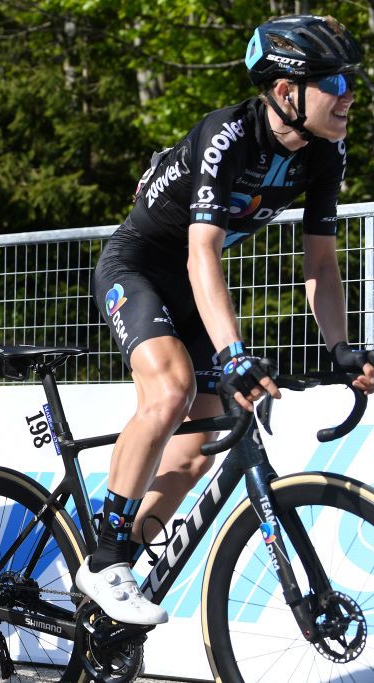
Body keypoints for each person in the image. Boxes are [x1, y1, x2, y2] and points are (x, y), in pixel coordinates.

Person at [81, 14, 374, 627]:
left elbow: (320, 259)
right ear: (288, 91)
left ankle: (123, 574)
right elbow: (202, 250)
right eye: (335, 83)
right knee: (171, 390)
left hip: (187, 288)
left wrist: (343, 348)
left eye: (352, 80)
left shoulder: (325, 152)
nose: (350, 94)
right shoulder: (227, 135)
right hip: (136, 266)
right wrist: (233, 350)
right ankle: (103, 558)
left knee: (194, 455)